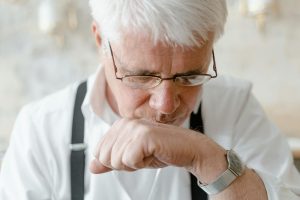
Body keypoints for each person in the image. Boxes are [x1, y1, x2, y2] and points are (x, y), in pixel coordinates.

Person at [1, 0, 300, 199]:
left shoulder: (235, 108)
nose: (166, 105)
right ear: (99, 41)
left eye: (189, 76)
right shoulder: (41, 129)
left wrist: (206, 158)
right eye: (141, 76)